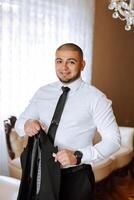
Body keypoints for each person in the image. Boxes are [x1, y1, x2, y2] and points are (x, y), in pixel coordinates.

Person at [15, 43, 121, 200]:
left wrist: (79, 156)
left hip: (75, 178)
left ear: (82, 64)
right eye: (59, 61)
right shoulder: (43, 92)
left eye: (71, 61)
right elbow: (20, 123)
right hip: (39, 174)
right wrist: (26, 125)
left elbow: (114, 141)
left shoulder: (97, 99)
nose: (64, 67)